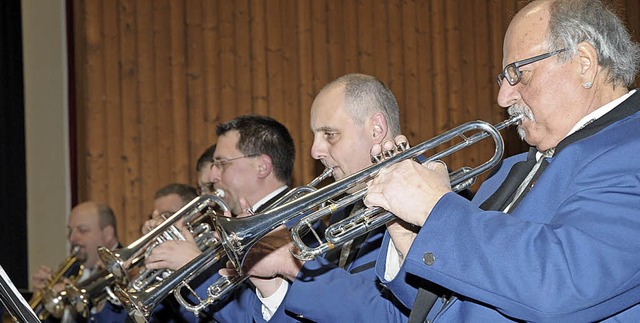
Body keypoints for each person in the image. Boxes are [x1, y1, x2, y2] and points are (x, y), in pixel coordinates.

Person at [363, 0, 640, 321]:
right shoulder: (507, 171)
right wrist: (409, 236)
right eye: (503, 78)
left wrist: (435, 208)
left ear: (584, 63)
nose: (502, 98)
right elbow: (462, 301)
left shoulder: (630, 148)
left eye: (518, 74)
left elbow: (562, 285)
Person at [233, 73, 421, 322]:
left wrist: (293, 265)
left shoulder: (431, 200)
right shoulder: (345, 209)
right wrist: (272, 287)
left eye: (330, 134)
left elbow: (403, 316)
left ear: (376, 129)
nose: (314, 151)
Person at [144, 115, 297, 322]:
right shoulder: (234, 222)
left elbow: (256, 314)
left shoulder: (299, 224)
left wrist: (194, 269)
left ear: (262, 166)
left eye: (222, 163)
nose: (213, 176)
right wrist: (170, 265)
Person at [30, 201, 124, 322]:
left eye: (82, 230)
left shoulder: (128, 271)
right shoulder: (71, 269)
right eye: (70, 231)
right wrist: (40, 299)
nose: (72, 238)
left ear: (107, 234)